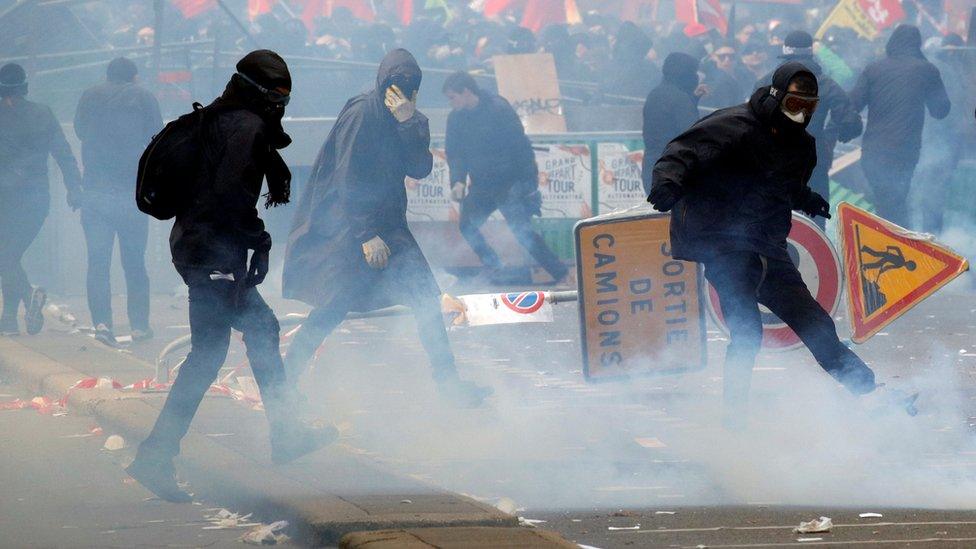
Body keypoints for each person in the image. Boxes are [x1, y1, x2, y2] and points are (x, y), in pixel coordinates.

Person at [127, 51, 335, 503]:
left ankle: (286, 432)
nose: (281, 104)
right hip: (212, 254)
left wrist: (247, 246)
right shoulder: (245, 127)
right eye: (276, 95)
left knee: (261, 329)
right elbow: (228, 196)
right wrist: (257, 240)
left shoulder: (223, 120)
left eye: (286, 96)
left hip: (202, 248)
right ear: (257, 91)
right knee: (208, 355)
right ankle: (155, 455)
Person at [647, 62, 884, 428]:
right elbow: (681, 151)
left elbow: (782, 184)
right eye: (794, 105)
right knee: (747, 332)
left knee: (817, 324)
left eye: (809, 107)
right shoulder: (733, 126)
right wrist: (668, 182)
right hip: (724, 245)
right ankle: (735, 417)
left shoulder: (802, 146)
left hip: (768, 247)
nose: (801, 115)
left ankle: (871, 395)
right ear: (776, 98)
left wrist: (805, 198)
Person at [282, 49, 491, 409]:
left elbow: (420, 168)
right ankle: (283, 385)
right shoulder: (362, 112)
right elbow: (346, 177)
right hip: (348, 229)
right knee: (333, 306)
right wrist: (365, 236)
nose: (404, 90)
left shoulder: (410, 118)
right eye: (397, 84)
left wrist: (408, 123)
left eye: (412, 86)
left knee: (426, 299)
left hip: (391, 227)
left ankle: (449, 385)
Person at [442, 71, 568, 284]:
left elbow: (521, 147)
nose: (451, 103)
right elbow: (455, 153)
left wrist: (529, 184)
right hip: (482, 185)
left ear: (466, 92)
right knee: (467, 225)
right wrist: (458, 181)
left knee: (523, 233)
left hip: (509, 184)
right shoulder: (455, 118)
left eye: (452, 97)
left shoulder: (498, 108)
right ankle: (494, 264)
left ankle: (562, 275)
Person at [74, 57, 162, 345]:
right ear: (134, 77)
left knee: (98, 263)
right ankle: (139, 326)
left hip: (96, 193)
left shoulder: (89, 95)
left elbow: (79, 130)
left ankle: (102, 324)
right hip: (132, 194)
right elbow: (158, 138)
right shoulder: (145, 97)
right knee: (134, 263)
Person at [0, 63, 82, 336]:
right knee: (10, 255)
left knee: (6, 256)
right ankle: (9, 319)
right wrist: (74, 188)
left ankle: (26, 295)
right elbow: (64, 153)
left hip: (6, 198)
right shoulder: (42, 113)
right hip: (35, 200)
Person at [756, 30, 862, 229]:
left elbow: (751, 119)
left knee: (774, 219)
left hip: (773, 161)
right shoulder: (825, 84)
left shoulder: (766, 82)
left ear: (785, 54)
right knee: (813, 223)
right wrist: (836, 137)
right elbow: (851, 123)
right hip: (813, 160)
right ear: (811, 53)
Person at [849, 24, 950, 228]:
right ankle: (898, 246)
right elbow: (940, 110)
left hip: (874, 150)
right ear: (917, 45)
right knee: (896, 202)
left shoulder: (873, 69)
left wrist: (846, 130)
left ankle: (888, 244)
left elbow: (852, 105)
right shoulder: (927, 70)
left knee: (885, 203)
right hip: (905, 151)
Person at [640, 52, 702, 177]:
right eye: (693, 72)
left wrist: (693, 99)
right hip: (674, 169)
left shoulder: (654, 94)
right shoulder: (680, 99)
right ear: (685, 74)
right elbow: (692, 135)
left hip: (651, 167)